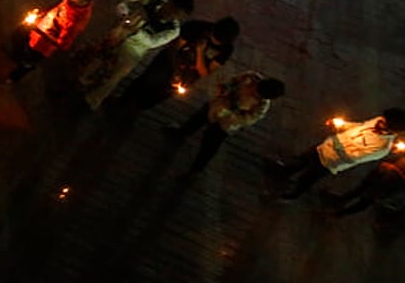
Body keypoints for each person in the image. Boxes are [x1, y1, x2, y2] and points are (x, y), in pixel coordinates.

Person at [79, 0, 194, 110]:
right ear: (169, 2)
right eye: (173, 10)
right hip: (119, 32)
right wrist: (125, 15)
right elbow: (125, 5)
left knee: (115, 76)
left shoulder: (173, 29)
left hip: (134, 49)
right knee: (95, 58)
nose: (171, 15)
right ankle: (80, 81)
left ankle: (92, 101)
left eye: (177, 15)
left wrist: (136, 28)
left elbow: (152, 42)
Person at [164, 72, 285, 173]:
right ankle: (180, 133)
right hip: (215, 105)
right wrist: (223, 89)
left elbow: (247, 119)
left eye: (257, 92)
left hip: (224, 125)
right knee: (196, 120)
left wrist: (231, 113)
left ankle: (195, 169)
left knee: (209, 147)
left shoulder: (261, 105)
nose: (254, 90)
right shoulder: (251, 77)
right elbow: (231, 81)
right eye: (256, 87)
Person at [273, 109, 405, 200]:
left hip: (329, 162)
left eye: (384, 122)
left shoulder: (382, 147)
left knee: (307, 179)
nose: (380, 120)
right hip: (324, 147)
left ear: (390, 129)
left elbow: (353, 157)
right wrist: (341, 126)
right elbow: (358, 126)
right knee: (302, 160)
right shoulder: (378, 120)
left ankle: (292, 195)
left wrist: (337, 142)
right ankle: (283, 173)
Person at [127, 16, 240, 110]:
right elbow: (173, 48)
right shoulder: (196, 27)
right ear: (213, 29)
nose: (214, 42)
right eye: (213, 38)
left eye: (218, 43)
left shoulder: (226, 49)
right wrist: (176, 71)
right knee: (144, 83)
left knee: (158, 96)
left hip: (186, 77)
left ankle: (136, 110)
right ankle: (124, 101)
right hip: (167, 63)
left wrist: (200, 52)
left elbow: (205, 72)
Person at [7, 0, 99, 82]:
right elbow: (58, 5)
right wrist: (42, 13)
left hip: (42, 45)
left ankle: (12, 78)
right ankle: (15, 56)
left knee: (28, 62)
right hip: (39, 26)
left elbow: (63, 44)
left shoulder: (76, 23)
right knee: (18, 35)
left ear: (85, 0)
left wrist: (39, 30)